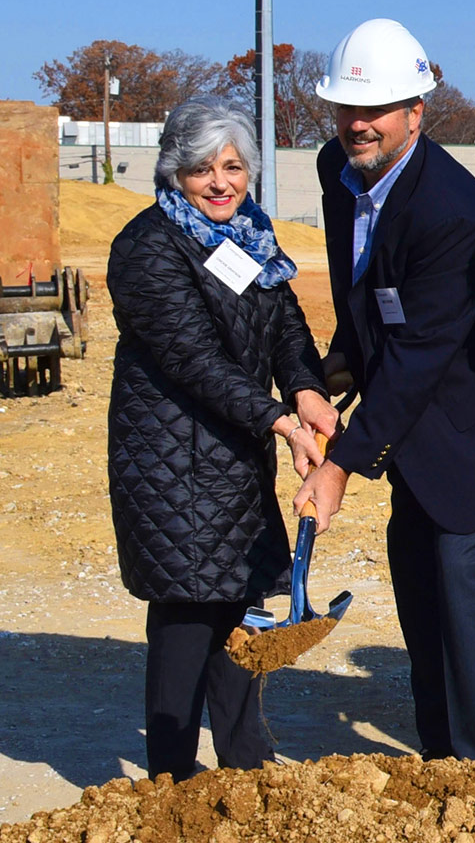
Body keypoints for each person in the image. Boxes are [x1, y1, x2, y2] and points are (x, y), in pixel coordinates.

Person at [292, 18, 475, 761]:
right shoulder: (338, 171)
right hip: (418, 420)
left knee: (465, 601)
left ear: (417, 110)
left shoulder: (456, 214)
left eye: (377, 108)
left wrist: (341, 462)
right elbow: (363, 284)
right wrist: (341, 363)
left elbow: (420, 352)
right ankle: (443, 760)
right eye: (348, 108)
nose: (359, 124)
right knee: (419, 585)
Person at [105, 96, 337, 778]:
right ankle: (172, 777)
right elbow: (193, 358)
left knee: (236, 609)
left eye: (232, 167)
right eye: (201, 168)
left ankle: (246, 766)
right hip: (170, 463)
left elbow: (285, 321)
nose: (220, 182)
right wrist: (278, 421)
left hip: (230, 460)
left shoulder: (246, 236)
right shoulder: (148, 246)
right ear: (173, 171)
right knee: (185, 615)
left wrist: (304, 386)